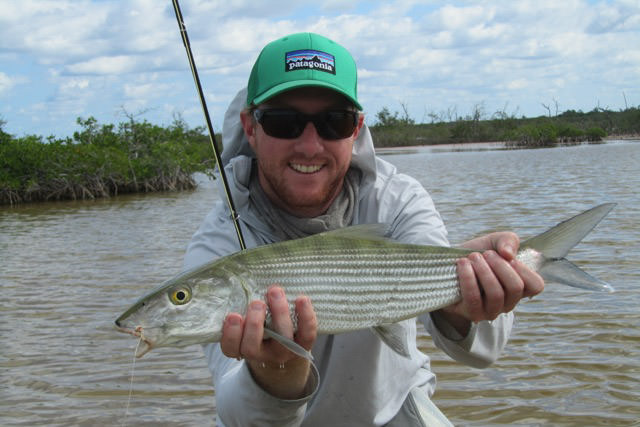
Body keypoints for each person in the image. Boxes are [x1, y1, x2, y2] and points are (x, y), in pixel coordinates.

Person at [183, 32, 544, 426]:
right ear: (250, 128)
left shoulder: (397, 199)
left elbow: (481, 354)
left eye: (333, 122)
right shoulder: (219, 240)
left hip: (394, 414)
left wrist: (466, 299)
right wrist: (273, 375)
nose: (309, 145)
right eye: (283, 122)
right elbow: (238, 414)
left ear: (356, 129)